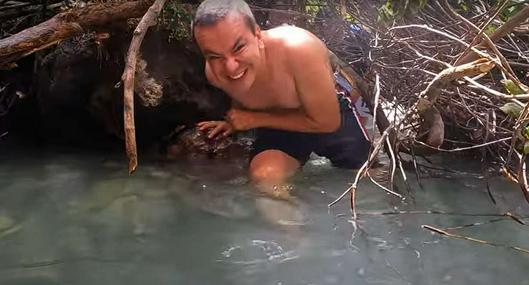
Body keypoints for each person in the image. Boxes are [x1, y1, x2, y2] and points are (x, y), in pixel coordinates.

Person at [193, 0, 370, 196]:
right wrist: (233, 122)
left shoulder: (299, 49)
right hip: (279, 121)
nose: (230, 67)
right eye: (216, 56)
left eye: (239, 48)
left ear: (258, 36)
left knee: (364, 177)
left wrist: (254, 120)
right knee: (265, 179)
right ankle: (291, 226)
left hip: (328, 112)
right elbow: (240, 91)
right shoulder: (216, 74)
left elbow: (327, 122)